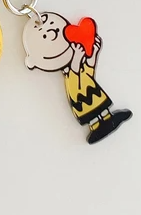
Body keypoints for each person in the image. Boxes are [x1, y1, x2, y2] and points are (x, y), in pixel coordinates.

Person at [23, 12, 132, 144]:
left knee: (101, 108)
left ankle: (109, 119)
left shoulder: (76, 64)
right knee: (91, 114)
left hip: (91, 90)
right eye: (45, 36)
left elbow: (89, 71)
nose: (52, 34)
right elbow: (74, 77)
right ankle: (96, 127)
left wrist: (94, 53)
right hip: (81, 98)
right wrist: (76, 58)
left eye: (53, 26)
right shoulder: (69, 74)